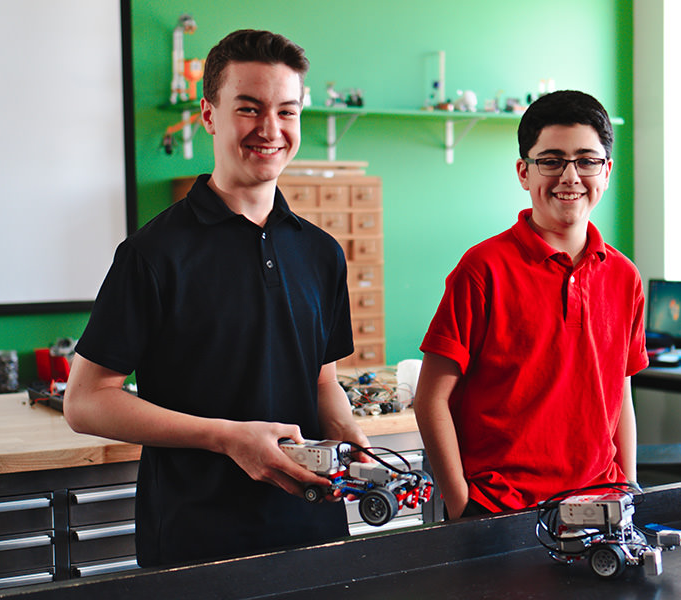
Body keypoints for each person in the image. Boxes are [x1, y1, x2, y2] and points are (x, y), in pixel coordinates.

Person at [64, 29, 370, 567]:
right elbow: (86, 400)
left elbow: (321, 380)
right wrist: (228, 438)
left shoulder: (322, 253)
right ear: (208, 114)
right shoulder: (153, 253)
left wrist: (351, 437)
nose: (270, 130)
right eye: (249, 109)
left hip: (314, 530)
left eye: (287, 111)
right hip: (196, 542)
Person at [415, 90, 648, 520]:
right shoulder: (483, 268)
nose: (570, 176)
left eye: (586, 160)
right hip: (500, 506)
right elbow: (431, 398)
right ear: (524, 172)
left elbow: (621, 393)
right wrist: (460, 502)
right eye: (552, 160)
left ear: (607, 171)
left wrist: (628, 487)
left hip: (599, 504)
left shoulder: (625, 277)